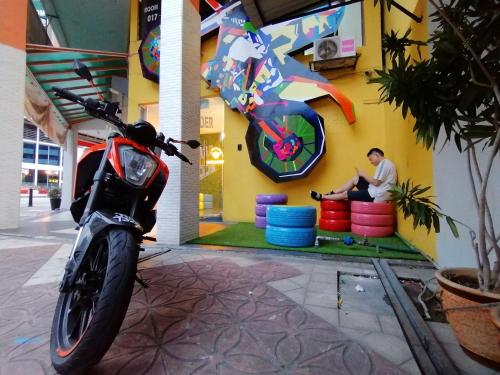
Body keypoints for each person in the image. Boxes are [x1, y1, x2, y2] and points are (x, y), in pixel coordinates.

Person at [310, 148, 397, 202]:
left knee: (345, 194)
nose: (371, 162)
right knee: (356, 178)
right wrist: (361, 176)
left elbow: (376, 182)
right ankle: (332, 193)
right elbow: (376, 183)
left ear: (376, 155)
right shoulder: (385, 164)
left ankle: (322, 197)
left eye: (371, 159)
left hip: (376, 196)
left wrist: (364, 174)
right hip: (375, 191)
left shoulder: (384, 163)